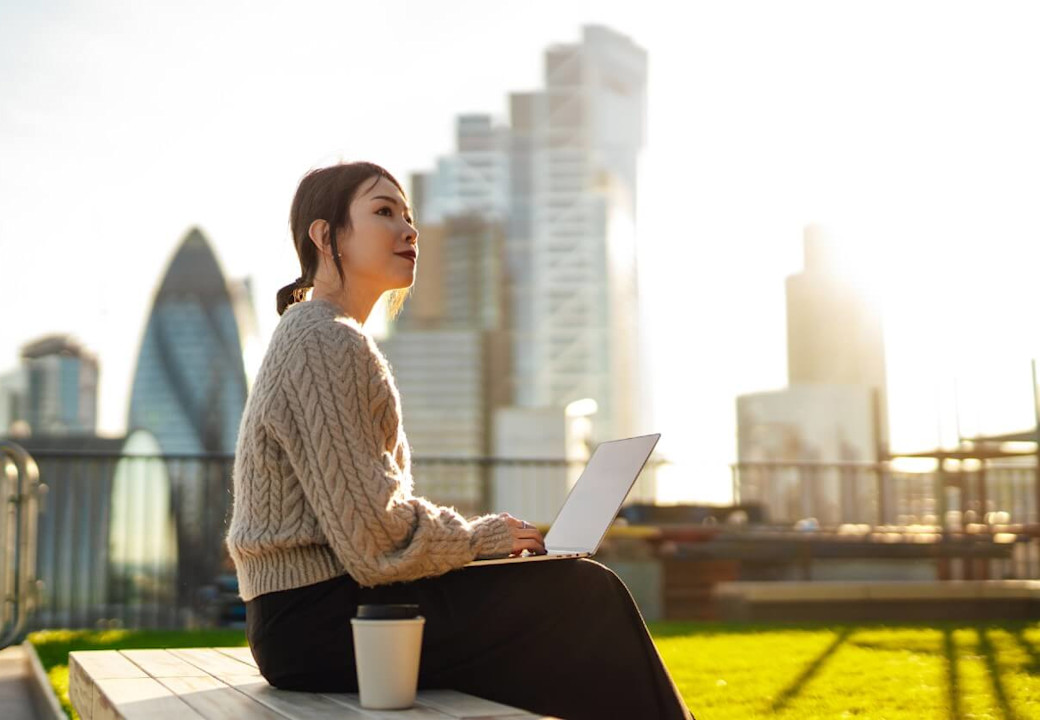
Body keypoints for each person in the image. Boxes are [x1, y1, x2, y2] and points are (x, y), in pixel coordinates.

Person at [226, 161, 695, 720]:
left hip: (316, 615)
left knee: (560, 615)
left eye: (408, 215)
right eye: (383, 211)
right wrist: (482, 537)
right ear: (325, 237)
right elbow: (375, 541)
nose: (408, 229)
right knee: (583, 596)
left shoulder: (318, 334)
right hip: (320, 621)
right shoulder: (323, 339)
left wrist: (482, 552)